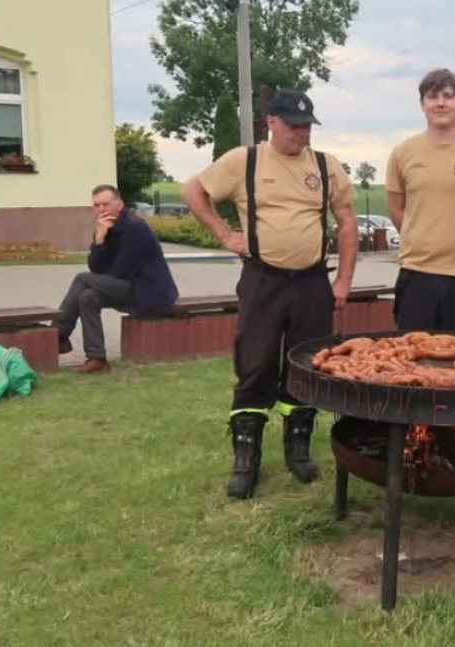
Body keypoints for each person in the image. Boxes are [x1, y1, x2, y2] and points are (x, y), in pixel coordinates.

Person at [179, 89, 360, 500]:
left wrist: (344, 278)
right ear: (271, 123)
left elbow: (346, 221)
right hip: (264, 280)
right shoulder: (245, 161)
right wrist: (224, 233)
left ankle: (297, 449)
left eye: (307, 126)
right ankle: (247, 458)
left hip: (313, 282)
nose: (302, 134)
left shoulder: (324, 164)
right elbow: (193, 192)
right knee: (256, 364)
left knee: (306, 366)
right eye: (294, 126)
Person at [385, 68, 455, 331]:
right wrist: (421, 237)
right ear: (422, 104)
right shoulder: (403, 153)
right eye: (433, 97)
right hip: (416, 273)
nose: (441, 103)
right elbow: (397, 210)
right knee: (410, 359)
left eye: (448, 96)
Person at [54, 184, 178, 374]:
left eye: (106, 204)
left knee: (82, 279)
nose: (101, 210)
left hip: (149, 292)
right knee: (87, 298)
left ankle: (58, 336)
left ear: (119, 205)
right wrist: (100, 240)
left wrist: (100, 273)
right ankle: (97, 358)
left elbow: (119, 271)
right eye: (96, 205)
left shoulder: (135, 228)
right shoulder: (105, 228)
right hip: (127, 287)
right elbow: (96, 267)